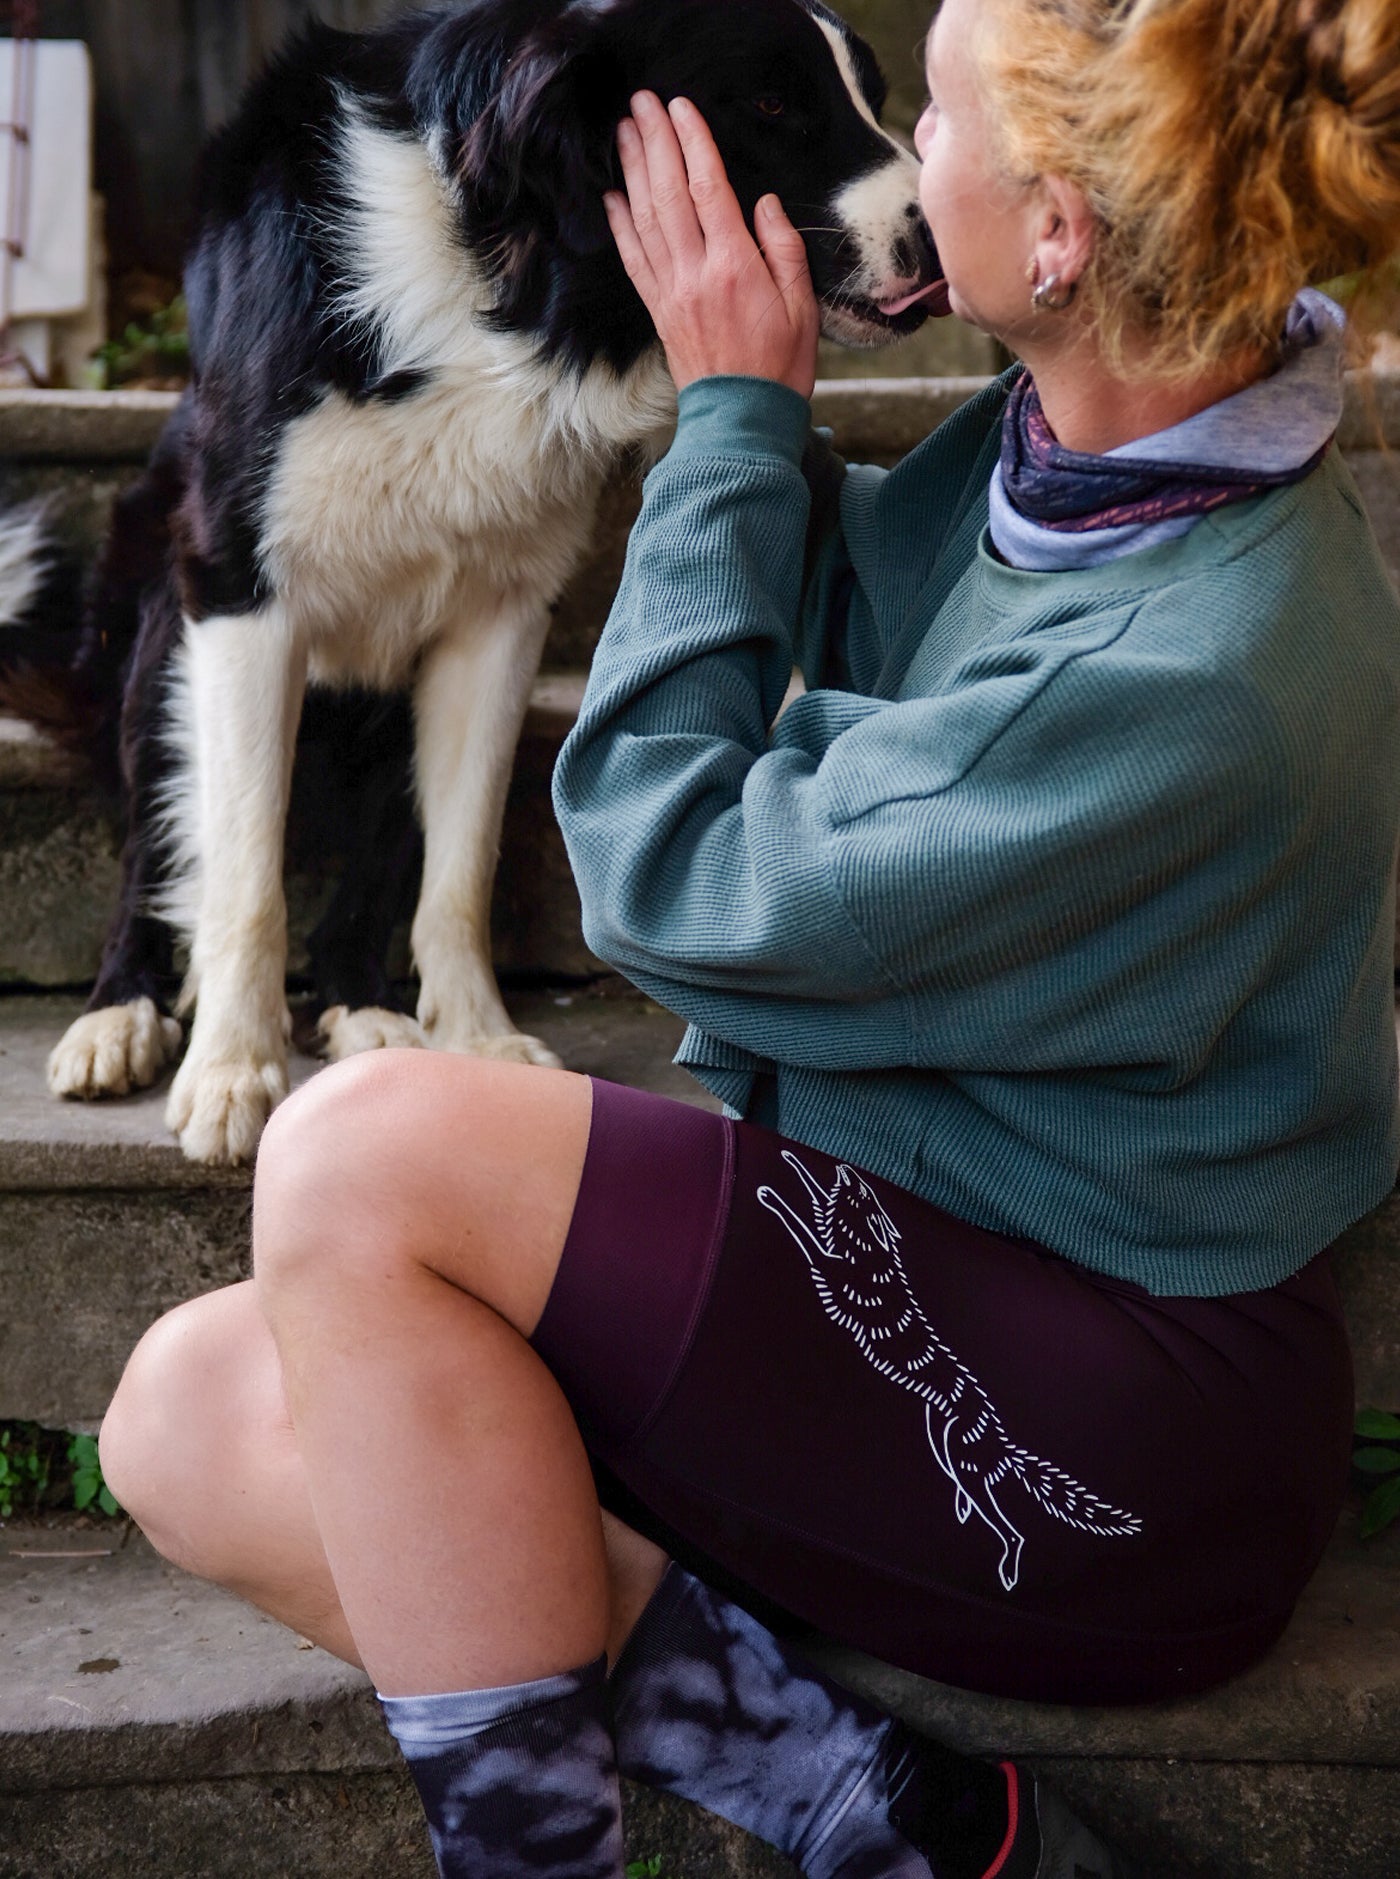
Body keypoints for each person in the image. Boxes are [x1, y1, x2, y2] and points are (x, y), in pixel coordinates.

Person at [97, 1, 1400, 1876]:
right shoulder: (1103, 457)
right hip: (926, 1268)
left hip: (1118, 1455)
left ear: (1055, 234)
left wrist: (730, 413)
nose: (889, 151)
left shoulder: (1188, 670)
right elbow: (846, 588)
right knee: (187, 1411)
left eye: (924, 108)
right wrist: (723, 398)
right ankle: (867, 1802)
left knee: (356, 1152)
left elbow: (666, 869)